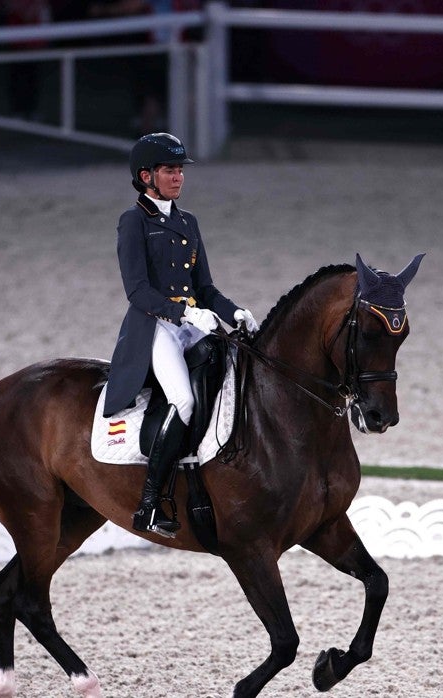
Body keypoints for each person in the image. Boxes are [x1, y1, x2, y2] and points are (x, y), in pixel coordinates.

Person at [103, 132, 258, 537]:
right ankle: (151, 503)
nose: (178, 177)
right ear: (146, 176)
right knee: (184, 400)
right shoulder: (133, 221)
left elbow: (205, 288)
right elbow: (137, 291)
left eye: (179, 171)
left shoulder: (188, 222)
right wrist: (186, 313)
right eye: (169, 170)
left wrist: (234, 311)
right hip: (156, 327)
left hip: (191, 324)